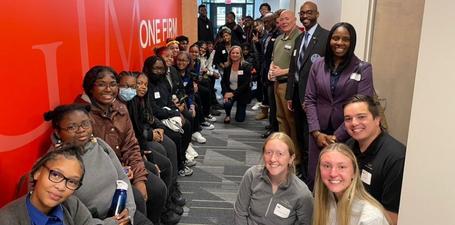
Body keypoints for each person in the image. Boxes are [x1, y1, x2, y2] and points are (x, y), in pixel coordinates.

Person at [44, 104, 159, 225]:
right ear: (57, 132)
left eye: (85, 124)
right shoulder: (55, 165)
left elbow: (122, 177)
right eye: (72, 127)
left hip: (122, 214)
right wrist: (111, 223)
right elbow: (67, 217)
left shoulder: (100, 145)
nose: (81, 130)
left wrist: (129, 209)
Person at [304, 22, 375, 189]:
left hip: (348, 133)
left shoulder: (362, 68)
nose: (340, 43)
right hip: (318, 134)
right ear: (329, 40)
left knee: (339, 179)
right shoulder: (318, 65)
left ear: (352, 42)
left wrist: (337, 137)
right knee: (316, 177)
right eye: (335, 38)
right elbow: (310, 99)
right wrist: (316, 132)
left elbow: (363, 106)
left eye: (345, 39)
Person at [0, 145, 109, 225]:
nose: (61, 187)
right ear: (38, 172)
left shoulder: (72, 206)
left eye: (71, 182)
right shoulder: (7, 219)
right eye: (56, 175)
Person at [344, 95, 405, 225]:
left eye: (361, 117)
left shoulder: (396, 158)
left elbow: (393, 217)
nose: (354, 123)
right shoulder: (348, 147)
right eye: (348, 119)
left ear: (377, 120)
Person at [286, 1, 330, 182]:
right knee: (300, 136)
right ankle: (303, 171)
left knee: (310, 135)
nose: (305, 16)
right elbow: (293, 69)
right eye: (302, 13)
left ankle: (311, 176)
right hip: (296, 96)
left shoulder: (326, 37)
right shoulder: (299, 38)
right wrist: (289, 94)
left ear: (317, 14)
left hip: (313, 99)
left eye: (309, 13)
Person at [234, 132, 313, 225]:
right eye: (268, 153)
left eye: (280, 154)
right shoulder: (251, 176)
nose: (273, 159)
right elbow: (240, 212)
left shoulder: (302, 193)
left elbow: (306, 223)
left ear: (291, 158)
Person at [313, 143, 390, 225]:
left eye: (341, 167)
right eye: (327, 166)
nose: (333, 173)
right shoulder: (324, 201)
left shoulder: (371, 217)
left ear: (354, 172)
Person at [142, 55, 194, 177]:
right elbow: (153, 111)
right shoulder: (146, 85)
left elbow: (169, 101)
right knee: (175, 136)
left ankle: (181, 158)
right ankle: (178, 167)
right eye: (156, 68)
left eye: (161, 68)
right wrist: (175, 113)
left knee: (187, 124)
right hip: (155, 120)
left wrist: (176, 110)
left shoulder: (163, 82)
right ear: (149, 68)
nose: (159, 71)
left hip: (168, 115)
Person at [268, 10, 302, 165]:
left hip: (289, 86)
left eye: (287, 19)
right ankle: (283, 151)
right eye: (281, 20)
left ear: (294, 20)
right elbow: (274, 59)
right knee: (280, 119)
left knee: (292, 122)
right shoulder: (279, 39)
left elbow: (301, 65)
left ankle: (296, 158)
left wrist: (282, 71)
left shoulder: (299, 38)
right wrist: (271, 71)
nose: (283, 22)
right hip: (277, 84)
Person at [260, 10, 282, 138]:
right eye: (264, 22)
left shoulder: (279, 34)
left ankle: (274, 128)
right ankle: (271, 123)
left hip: (274, 73)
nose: (266, 24)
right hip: (265, 71)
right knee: (269, 100)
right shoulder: (268, 34)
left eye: (268, 21)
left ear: (274, 20)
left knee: (273, 103)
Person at [221, 46, 252, 123]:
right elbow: (223, 81)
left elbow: (246, 83)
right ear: (230, 54)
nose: (235, 55)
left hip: (242, 93)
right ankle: (227, 114)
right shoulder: (227, 66)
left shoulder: (246, 66)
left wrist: (233, 93)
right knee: (227, 104)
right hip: (230, 90)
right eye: (233, 53)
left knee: (239, 119)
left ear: (241, 55)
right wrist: (225, 93)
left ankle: (241, 109)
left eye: (237, 53)